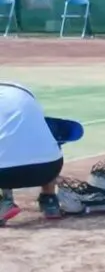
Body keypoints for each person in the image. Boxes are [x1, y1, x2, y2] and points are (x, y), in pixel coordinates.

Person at [0, 80, 75, 223]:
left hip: (4, 173)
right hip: (49, 169)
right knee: (48, 138)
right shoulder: (19, 90)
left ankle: (4, 203)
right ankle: (50, 200)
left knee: (6, 147)